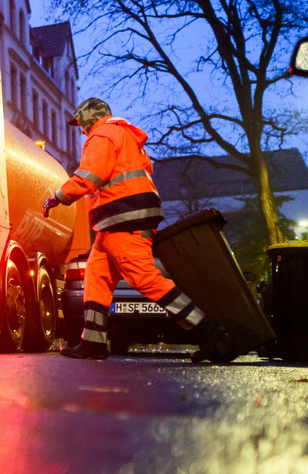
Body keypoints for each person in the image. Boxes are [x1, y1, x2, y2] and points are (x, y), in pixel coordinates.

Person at [42, 98, 232, 362]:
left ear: (89, 119)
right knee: (96, 278)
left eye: (81, 123)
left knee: (144, 278)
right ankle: (93, 343)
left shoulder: (102, 134)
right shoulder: (126, 138)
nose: (81, 129)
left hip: (124, 219)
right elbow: (142, 171)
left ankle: (209, 331)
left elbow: (88, 177)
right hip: (117, 221)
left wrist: (57, 197)